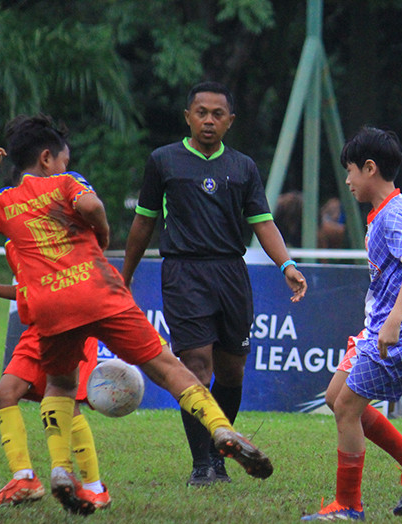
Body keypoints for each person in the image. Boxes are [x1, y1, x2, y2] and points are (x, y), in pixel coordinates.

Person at [0, 113, 272, 515]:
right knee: (165, 365)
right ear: (46, 159)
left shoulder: (4, 201)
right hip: (97, 289)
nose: (64, 166)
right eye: (62, 160)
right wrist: (103, 232)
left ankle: (59, 469)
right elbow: (91, 205)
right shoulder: (67, 183)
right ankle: (221, 429)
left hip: (49, 305)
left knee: (58, 386)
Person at [122, 81, 307, 487]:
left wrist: (287, 265)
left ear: (230, 121)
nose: (208, 120)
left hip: (230, 275)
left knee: (231, 373)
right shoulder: (163, 161)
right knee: (196, 367)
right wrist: (126, 273)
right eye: (201, 112)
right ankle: (203, 463)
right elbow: (144, 221)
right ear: (188, 116)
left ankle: (219, 451)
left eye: (217, 114)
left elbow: (263, 223)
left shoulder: (243, 168)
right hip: (184, 273)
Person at [301, 126, 402, 522]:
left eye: (350, 171)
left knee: (347, 409)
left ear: (370, 168)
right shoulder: (391, 211)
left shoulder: (394, 216)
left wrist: (395, 321)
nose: (347, 181)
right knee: (337, 398)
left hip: (394, 334)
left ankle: (348, 506)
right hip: (379, 328)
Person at [0, 256, 110, 510]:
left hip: (73, 322)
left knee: (65, 404)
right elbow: (32, 289)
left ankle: (95, 489)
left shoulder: (54, 229)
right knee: (5, 392)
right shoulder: (16, 235)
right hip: (39, 327)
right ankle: (24, 479)